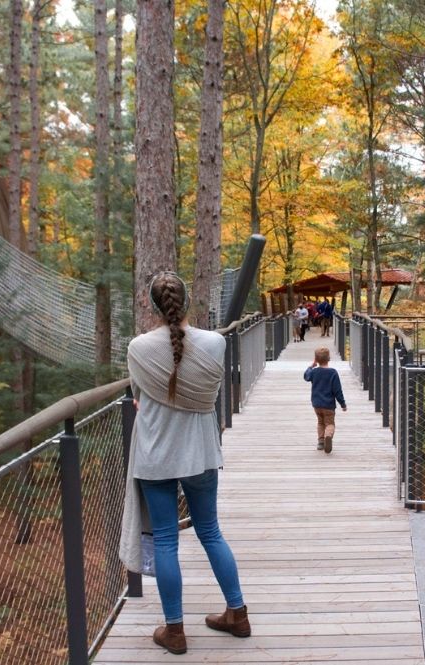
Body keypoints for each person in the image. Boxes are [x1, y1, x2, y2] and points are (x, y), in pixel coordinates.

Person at [120, 271, 250, 655]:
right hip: (201, 453)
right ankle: (237, 613)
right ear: (188, 302)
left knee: (165, 540)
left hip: (156, 455)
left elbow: (140, 398)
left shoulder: (138, 348)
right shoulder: (215, 342)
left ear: (154, 306)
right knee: (211, 532)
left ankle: (174, 630)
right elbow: (207, 395)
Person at [303, 347, 346, 453]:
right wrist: (343, 404)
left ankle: (321, 442)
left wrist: (311, 366)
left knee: (320, 422)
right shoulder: (333, 373)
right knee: (330, 423)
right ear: (329, 359)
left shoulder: (314, 372)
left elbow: (306, 376)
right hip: (329, 405)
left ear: (316, 360)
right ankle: (328, 436)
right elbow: (337, 391)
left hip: (317, 404)